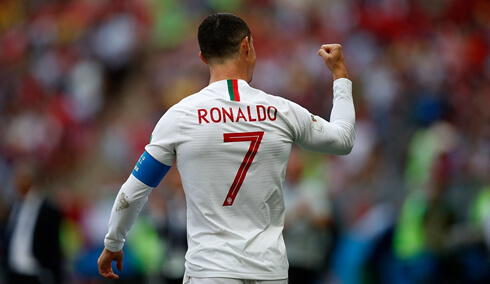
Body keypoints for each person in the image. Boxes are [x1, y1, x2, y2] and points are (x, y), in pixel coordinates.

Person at [98, 12, 355, 283]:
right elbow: (344, 140)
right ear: (247, 46)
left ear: (203, 58)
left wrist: (114, 242)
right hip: (269, 272)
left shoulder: (180, 116)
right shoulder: (281, 111)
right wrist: (340, 75)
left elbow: (134, 191)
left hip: (210, 271)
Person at [5, 162, 63, 284]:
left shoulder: (48, 210)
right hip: (15, 271)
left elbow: (53, 245)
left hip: (37, 272)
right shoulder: (17, 206)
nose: (15, 183)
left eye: (19, 178)